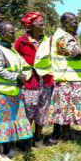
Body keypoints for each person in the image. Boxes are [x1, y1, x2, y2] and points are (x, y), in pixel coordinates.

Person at [0, 21, 33, 161]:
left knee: (11, 121)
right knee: (1, 122)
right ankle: (0, 154)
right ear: (2, 34)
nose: (14, 35)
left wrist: (25, 76)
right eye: (11, 32)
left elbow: (23, 65)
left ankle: (8, 149)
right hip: (1, 92)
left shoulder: (11, 49)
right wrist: (16, 77)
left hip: (14, 92)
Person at [45, 13, 81, 139]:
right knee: (64, 109)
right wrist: (78, 40)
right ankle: (62, 135)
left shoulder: (67, 36)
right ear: (65, 24)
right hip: (67, 79)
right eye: (73, 21)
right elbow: (77, 53)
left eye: (77, 21)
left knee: (66, 108)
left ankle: (65, 134)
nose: (76, 24)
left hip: (73, 78)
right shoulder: (63, 37)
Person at [14, 12, 54, 147]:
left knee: (42, 109)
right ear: (30, 25)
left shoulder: (48, 41)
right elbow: (15, 59)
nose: (43, 24)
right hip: (30, 81)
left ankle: (38, 138)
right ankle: (25, 140)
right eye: (39, 22)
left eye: (43, 21)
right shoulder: (22, 41)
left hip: (45, 80)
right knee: (28, 111)